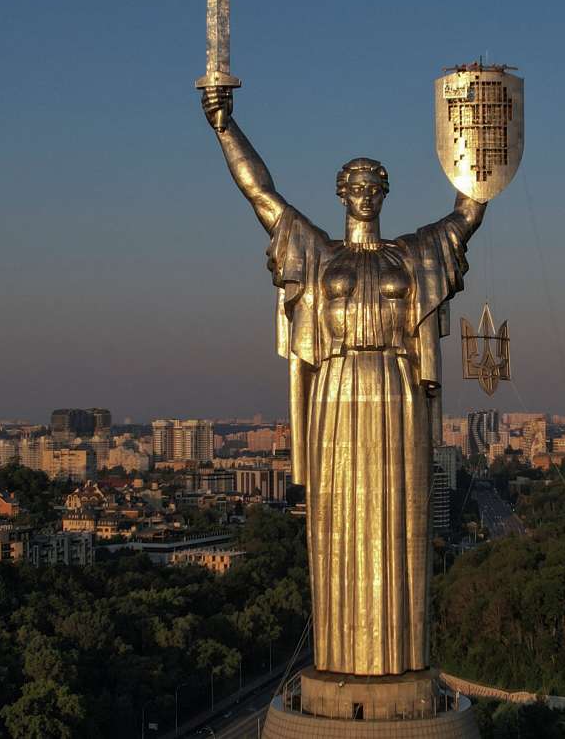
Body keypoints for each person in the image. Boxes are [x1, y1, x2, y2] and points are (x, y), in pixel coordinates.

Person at [202, 87, 485, 676]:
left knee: (401, 515)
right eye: (355, 186)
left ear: (385, 194)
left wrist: (479, 133)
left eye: (374, 186)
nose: (364, 194)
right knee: (336, 517)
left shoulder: (412, 256)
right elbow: (260, 193)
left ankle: (400, 658)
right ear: (340, 193)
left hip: (397, 385)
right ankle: (339, 657)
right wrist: (226, 128)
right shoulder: (318, 255)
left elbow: (468, 213)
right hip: (335, 387)